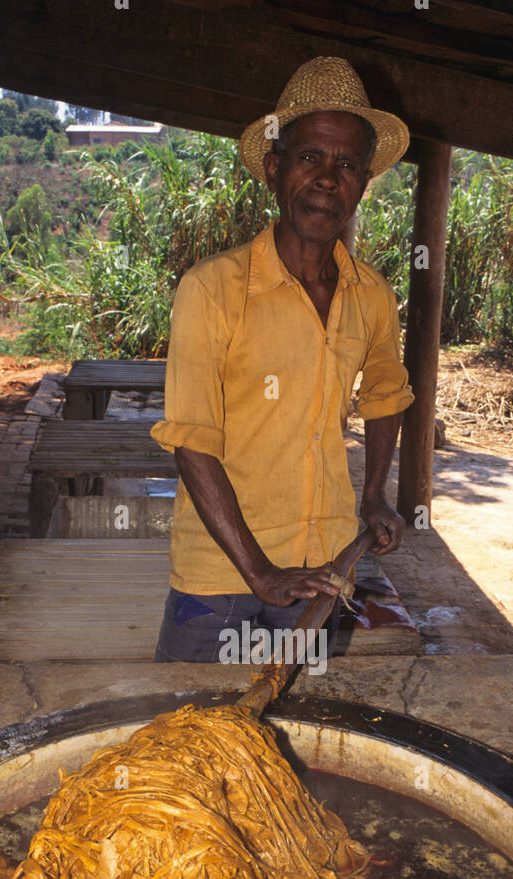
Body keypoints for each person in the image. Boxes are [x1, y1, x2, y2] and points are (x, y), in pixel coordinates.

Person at [151, 55, 414, 663]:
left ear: (363, 183)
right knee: (191, 743)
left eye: (346, 164)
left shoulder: (371, 294)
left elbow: (385, 393)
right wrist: (260, 573)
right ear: (275, 169)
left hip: (318, 567)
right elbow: (192, 441)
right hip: (219, 576)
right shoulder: (213, 288)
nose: (328, 178)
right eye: (310, 158)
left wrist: (372, 494)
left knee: (286, 738)